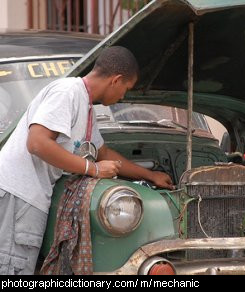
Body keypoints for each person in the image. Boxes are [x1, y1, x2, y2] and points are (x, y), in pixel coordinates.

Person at [0, 46, 173, 275]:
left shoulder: (86, 106)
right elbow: (37, 143)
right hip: (20, 196)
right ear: (116, 80)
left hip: (28, 197)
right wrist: (93, 169)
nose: (123, 96)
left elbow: (104, 154)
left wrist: (150, 176)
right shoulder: (68, 92)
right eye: (126, 89)